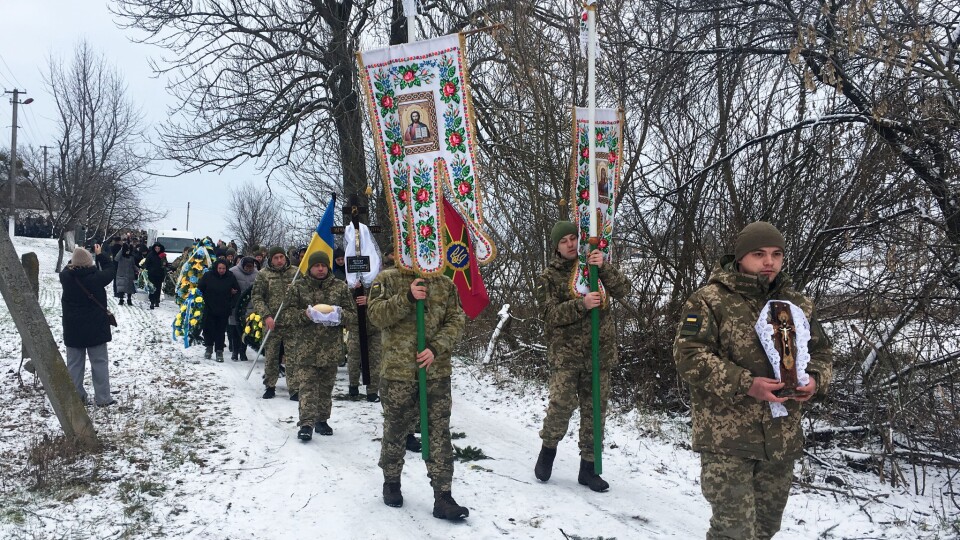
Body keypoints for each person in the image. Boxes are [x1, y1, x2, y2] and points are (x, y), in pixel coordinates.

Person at [673, 221, 833, 540]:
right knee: (734, 531)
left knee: (765, 528)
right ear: (741, 257)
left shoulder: (797, 304)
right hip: (727, 438)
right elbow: (688, 355)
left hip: (780, 439)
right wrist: (746, 383)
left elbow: (822, 353)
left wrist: (815, 379)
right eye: (759, 254)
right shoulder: (709, 300)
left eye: (776, 254)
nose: (769, 262)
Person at [533, 221, 630, 492]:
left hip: (600, 353)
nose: (571, 244)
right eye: (563, 240)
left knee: (595, 412)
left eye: (573, 238)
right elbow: (549, 315)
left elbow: (624, 290)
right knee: (561, 406)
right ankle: (548, 450)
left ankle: (589, 468)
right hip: (566, 355)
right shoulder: (549, 277)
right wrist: (582, 304)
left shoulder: (594, 268)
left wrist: (605, 267)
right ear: (556, 246)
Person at [367, 260, 468, 520]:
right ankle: (391, 482)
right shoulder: (387, 279)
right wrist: (407, 297)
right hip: (398, 373)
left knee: (438, 433)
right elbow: (375, 315)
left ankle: (443, 496)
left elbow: (456, 320)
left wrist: (436, 348)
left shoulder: (445, 284)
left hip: (435, 373)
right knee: (396, 430)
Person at [283, 252, 357, 441]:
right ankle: (306, 423)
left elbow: (353, 315)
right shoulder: (298, 287)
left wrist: (339, 315)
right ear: (310, 267)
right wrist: (305, 315)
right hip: (305, 348)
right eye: (317, 266)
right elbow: (287, 315)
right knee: (307, 387)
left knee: (325, 388)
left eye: (324, 265)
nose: (321, 269)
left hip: (330, 348)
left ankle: (322, 420)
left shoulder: (340, 287)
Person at [60, 245, 117, 406]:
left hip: (73, 329)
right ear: (90, 262)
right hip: (95, 329)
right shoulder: (96, 278)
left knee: (74, 365)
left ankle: (76, 398)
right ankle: (103, 398)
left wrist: (78, 254)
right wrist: (100, 255)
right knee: (99, 363)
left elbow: (69, 266)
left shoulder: (66, 277)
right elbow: (110, 268)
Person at [251, 246, 299, 399]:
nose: (279, 261)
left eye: (281, 257)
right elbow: (257, 297)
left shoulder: (295, 273)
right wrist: (266, 316)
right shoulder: (263, 275)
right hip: (273, 323)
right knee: (271, 357)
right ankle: (270, 386)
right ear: (270, 259)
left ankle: (294, 388)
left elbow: (305, 295)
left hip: (292, 323)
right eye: (275, 258)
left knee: (293, 357)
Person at [197, 259, 240, 361]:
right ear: (216, 268)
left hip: (223, 309)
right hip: (209, 307)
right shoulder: (208, 276)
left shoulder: (230, 277)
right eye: (220, 268)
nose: (221, 270)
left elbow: (237, 291)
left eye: (224, 268)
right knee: (208, 329)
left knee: (220, 331)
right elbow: (200, 289)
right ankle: (209, 347)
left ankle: (219, 351)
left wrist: (232, 303)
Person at [228, 256, 259, 361]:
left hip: (250, 306)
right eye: (247, 267)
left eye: (251, 267)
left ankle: (242, 352)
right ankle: (235, 351)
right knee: (235, 330)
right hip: (236, 306)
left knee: (246, 330)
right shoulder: (233, 271)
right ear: (243, 265)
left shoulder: (257, 274)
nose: (249, 269)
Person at [143, 242, 167, 309]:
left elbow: (165, 264)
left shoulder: (163, 255)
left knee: (158, 288)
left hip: (160, 274)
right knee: (152, 288)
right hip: (152, 274)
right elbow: (146, 263)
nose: (157, 249)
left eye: (158, 248)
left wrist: (164, 265)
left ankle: (157, 300)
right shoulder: (150, 255)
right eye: (156, 248)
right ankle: (152, 301)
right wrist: (147, 270)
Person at [114, 242, 137, 306]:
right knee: (121, 288)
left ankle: (129, 299)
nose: (128, 252)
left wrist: (138, 269)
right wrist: (121, 250)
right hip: (121, 274)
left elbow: (133, 265)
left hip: (130, 275)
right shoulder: (121, 256)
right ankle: (121, 300)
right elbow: (116, 258)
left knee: (130, 289)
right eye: (127, 250)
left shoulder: (131, 257)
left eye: (129, 250)